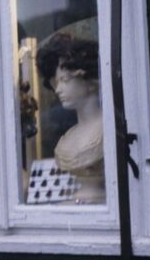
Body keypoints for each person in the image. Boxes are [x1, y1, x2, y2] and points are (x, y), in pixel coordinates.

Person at [35, 33, 105, 204]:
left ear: (89, 80)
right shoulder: (68, 140)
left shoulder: (108, 131)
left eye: (65, 80)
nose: (58, 90)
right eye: (55, 83)